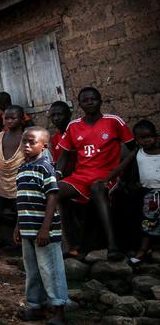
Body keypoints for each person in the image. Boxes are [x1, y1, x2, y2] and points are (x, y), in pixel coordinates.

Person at [55, 87, 136, 260]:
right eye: (85, 100)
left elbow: (133, 150)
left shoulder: (114, 121)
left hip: (107, 175)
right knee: (53, 190)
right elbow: (64, 155)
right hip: (81, 175)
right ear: (80, 104)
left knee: (97, 189)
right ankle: (69, 245)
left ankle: (113, 246)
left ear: (100, 101)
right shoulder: (74, 126)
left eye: (93, 99)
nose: (89, 102)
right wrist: (57, 175)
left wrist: (124, 175)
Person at [14, 127, 67, 324]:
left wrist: (45, 227)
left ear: (43, 146)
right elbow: (22, 200)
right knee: (33, 271)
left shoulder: (45, 167)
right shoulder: (22, 168)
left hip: (45, 231)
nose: (26, 146)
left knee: (50, 270)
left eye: (32, 142)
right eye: (24, 142)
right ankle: (35, 306)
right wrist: (18, 226)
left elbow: (52, 196)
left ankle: (59, 309)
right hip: (27, 229)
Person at [0, 105, 27, 244]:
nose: (9, 121)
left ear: (21, 120)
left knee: (20, 216)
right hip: (2, 183)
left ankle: (20, 247)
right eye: (6, 118)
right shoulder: (0, 136)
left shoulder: (26, 138)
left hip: (19, 184)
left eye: (13, 118)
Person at [132, 120, 160, 264]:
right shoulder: (138, 152)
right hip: (149, 195)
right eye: (142, 138)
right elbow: (122, 166)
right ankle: (143, 250)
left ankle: (153, 248)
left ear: (155, 136)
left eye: (149, 136)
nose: (147, 140)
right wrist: (106, 179)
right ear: (137, 140)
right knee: (148, 222)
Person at [48, 101, 72, 171]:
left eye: (60, 114)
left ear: (69, 115)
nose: (56, 118)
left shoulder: (77, 133)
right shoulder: (55, 138)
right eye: (53, 115)